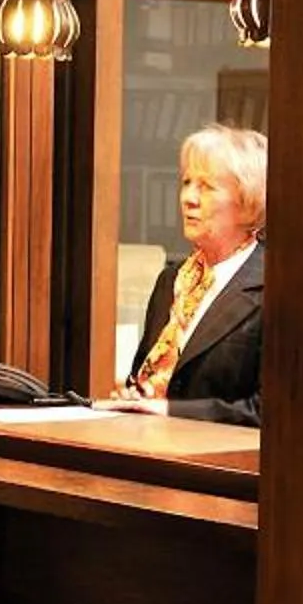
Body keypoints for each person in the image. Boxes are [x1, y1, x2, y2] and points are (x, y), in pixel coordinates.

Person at [99, 121, 267, 425]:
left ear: (248, 202)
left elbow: (264, 411)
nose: (188, 198)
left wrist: (169, 410)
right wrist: (134, 400)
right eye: (187, 182)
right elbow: (143, 380)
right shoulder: (171, 282)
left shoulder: (274, 287)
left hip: (223, 465)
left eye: (206, 187)